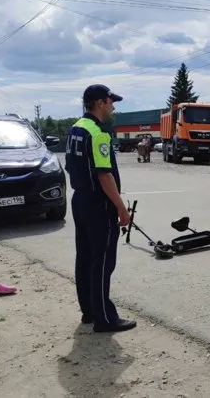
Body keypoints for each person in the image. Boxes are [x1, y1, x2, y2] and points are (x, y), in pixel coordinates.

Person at [65, 84, 136, 333]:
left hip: (80, 199)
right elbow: (104, 175)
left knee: (85, 258)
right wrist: (121, 208)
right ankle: (104, 318)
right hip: (98, 204)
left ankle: (89, 311)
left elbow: (71, 167)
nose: (113, 107)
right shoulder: (98, 133)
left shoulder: (76, 129)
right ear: (100, 103)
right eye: (111, 102)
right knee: (103, 261)